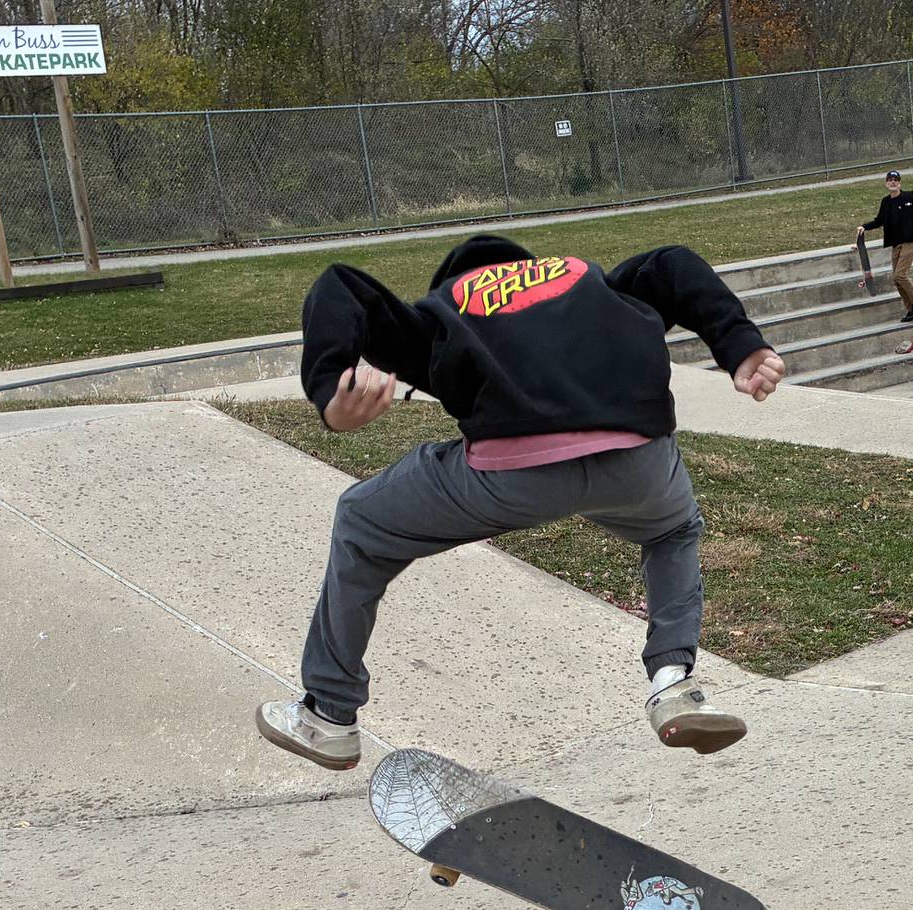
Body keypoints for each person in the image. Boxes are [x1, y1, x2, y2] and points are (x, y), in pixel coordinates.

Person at [254, 235, 785, 772]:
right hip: (640, 465)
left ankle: (329, 714)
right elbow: (673, 265)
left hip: (511, 477)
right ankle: (674, 682)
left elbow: (340, 286)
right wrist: (740, 344)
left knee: (361, 521)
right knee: (672, 533)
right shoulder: (589, 283)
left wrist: (330, 387)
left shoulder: (448, 309)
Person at [857, 170, 913, 322]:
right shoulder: (886, 202)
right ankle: (912, 308)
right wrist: (864, 227)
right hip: (896, 243)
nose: (893, 182)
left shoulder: (909, 197)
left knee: (900, 275)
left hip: (910, 240)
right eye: (890, 180)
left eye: (895, 180)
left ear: (899, 183)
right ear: (886, 183)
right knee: (896, 279)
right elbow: (879, 220)